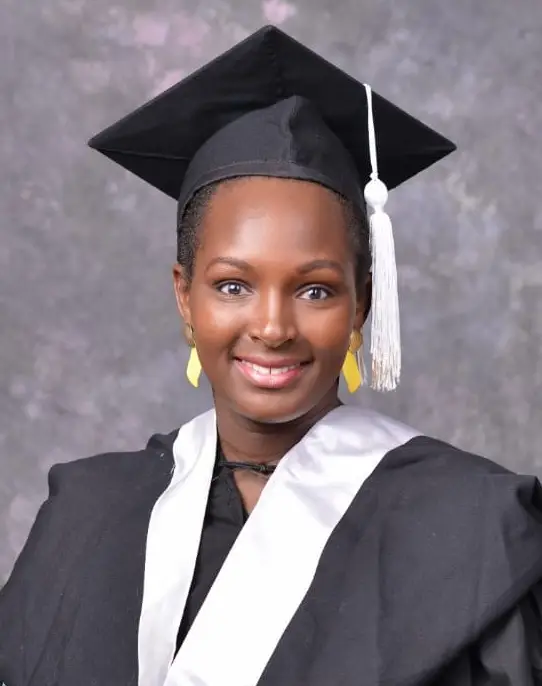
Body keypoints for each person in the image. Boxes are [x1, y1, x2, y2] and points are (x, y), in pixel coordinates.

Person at [0, 25, 541, 686]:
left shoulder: (473, 530)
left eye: (315, 289)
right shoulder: (86, 516)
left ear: (362, 305)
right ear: (183, 297)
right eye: (233, 285)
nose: (273, 326)